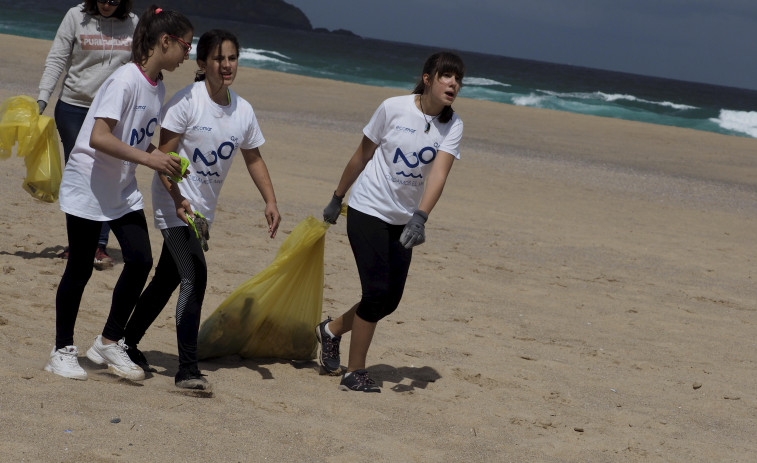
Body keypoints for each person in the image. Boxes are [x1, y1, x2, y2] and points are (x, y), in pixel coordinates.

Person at [121, 29, 281, 390]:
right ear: (203, 63)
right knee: (194, 274)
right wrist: (177, 199)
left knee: (166, 279)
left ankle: (126, 341)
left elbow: (253, 157)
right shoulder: (186, 102)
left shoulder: (243, 110)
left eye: (232, 58)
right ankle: (187, 369)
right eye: (219, 58)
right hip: (173, 205)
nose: (226, 65)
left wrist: (269, 200)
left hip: (201, 212)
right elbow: (163, 158)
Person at [43, 5, 194, 381]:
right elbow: (98, 137)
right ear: (165, 41)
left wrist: (175, 190)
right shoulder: (125, 80)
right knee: (79, 269)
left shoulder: (157, 86)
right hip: (88, 183)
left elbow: (140, 142)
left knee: (140, 260)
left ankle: (109, 341)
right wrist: (149, 159)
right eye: (185, 46)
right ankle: (62, 350)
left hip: (121, 187)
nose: (187, 55)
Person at [315, 51, 465, 392]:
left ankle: (330, 330)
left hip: (403, 220)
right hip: (367, 209)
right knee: (376, 292)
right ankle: (355, 372)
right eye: (446, 76)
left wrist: (420, 217)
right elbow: (362, 154)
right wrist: (337, 197)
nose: (453, 83)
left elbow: (438, 175)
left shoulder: (452, 125)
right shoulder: (392, 107)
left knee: (389, 300)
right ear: (427, 78)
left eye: (458, 79)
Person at [38, 0, 139, 269]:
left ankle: (99, 245)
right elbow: (57, 58)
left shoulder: (133, 23)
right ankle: (79, 245)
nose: (107, 4)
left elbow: (140, 67)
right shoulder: (75, 16)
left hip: (110, 112)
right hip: (73, 108)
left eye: (114, 0)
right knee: (80, 175)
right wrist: (42, 99)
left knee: (106, 173)